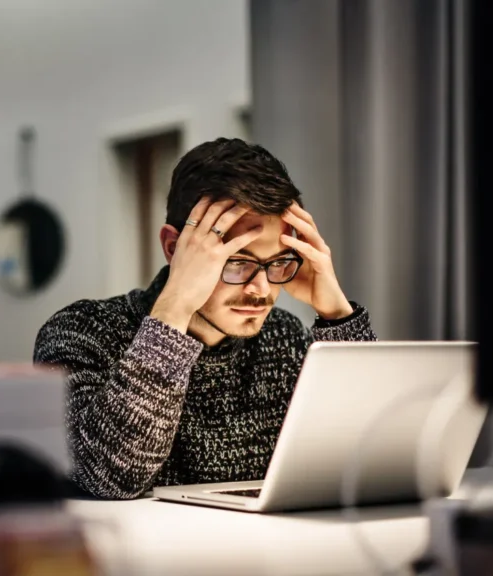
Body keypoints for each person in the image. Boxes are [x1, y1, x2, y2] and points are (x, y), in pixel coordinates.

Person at [33, 138, 377, 500]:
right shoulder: (81, 331)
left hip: (268, 551)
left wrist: (338, 315)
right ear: (173, 248)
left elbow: (370, 457)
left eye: (277, 262)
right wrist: (176, 306)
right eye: (237, 261)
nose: (260, 289)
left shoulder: (285, 338)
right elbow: (111, 479)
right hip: (139, 554)